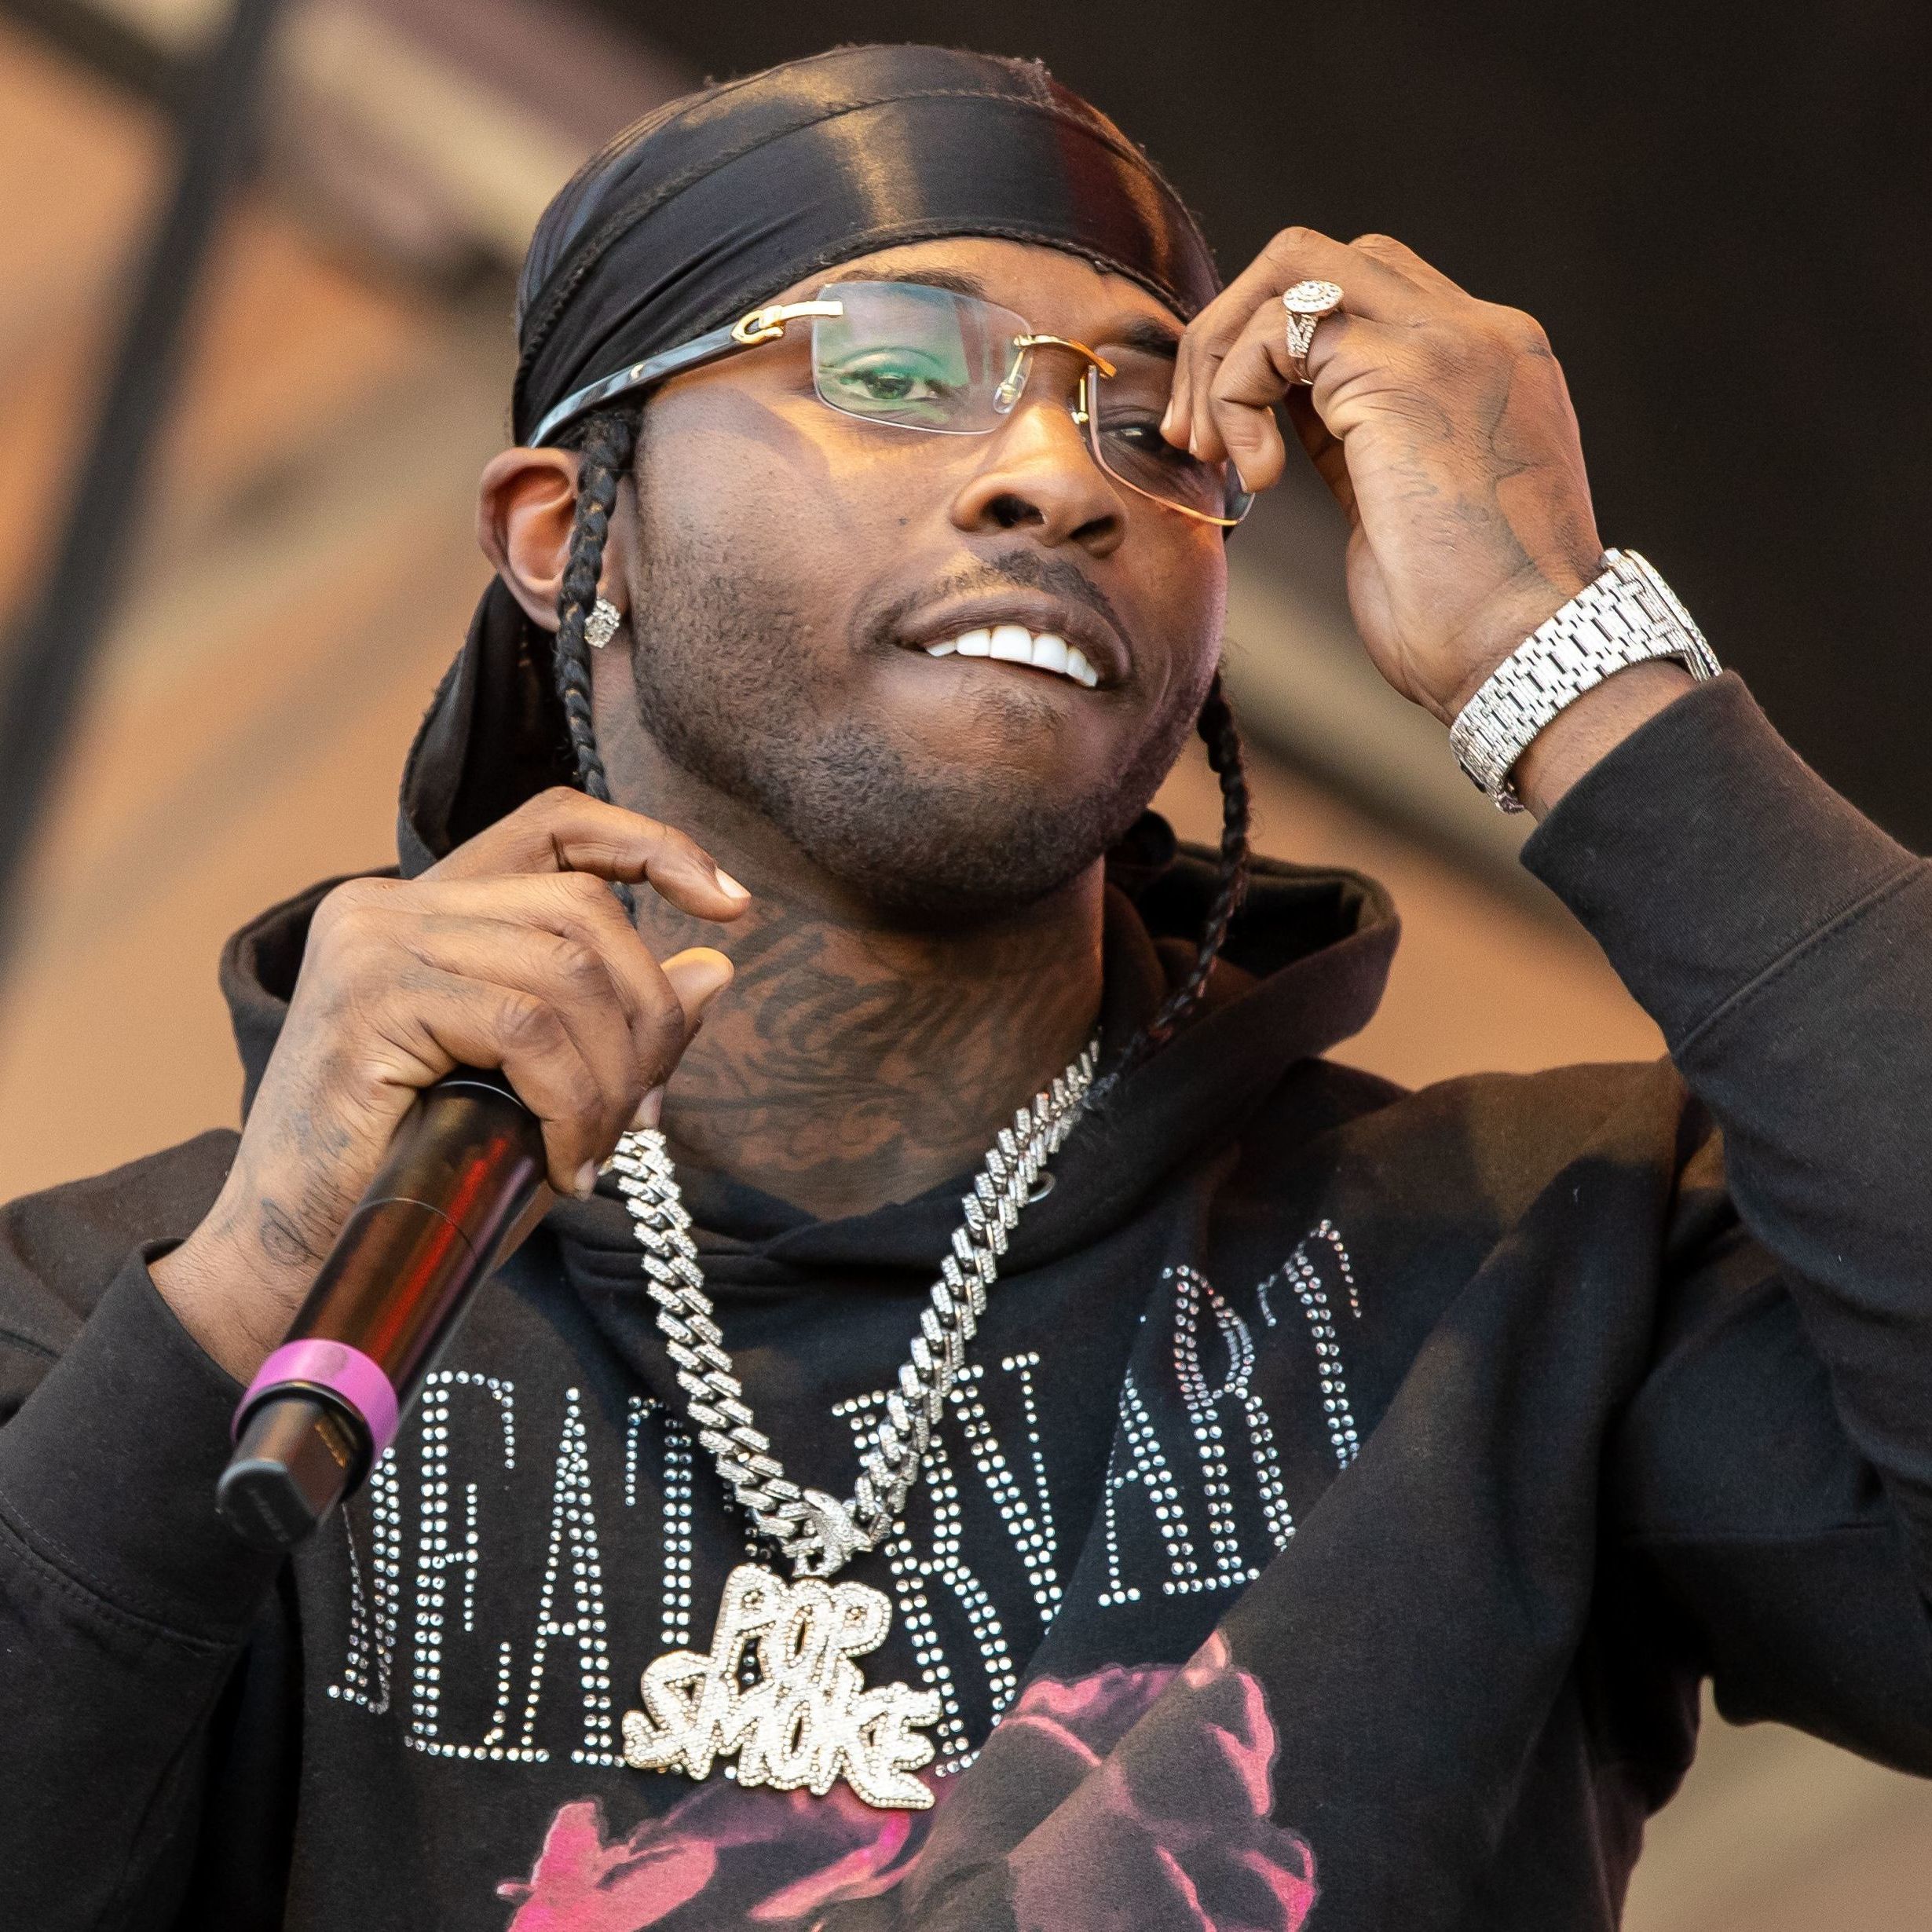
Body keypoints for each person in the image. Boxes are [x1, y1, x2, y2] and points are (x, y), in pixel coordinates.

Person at [2, 41, 1927, 1932]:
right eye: (895, 371)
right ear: (570, 532)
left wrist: (1557, 647)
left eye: (1150, 424)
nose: (1054, 477)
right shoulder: (109, 1312)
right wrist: (246, 1297)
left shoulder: (1539, 1259)